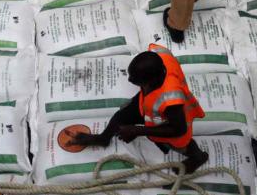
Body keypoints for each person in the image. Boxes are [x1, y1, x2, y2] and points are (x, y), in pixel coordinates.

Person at [72, 44, 209, 173]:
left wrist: (137, 130)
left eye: (135, 79)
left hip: (174, 122)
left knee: (180, 144)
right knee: (121, 116)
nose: (130, 80)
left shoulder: (171, 101)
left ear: (152, 81)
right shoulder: (160, 58)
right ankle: (103, 138)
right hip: (148, 100)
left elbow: (179, 129)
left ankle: (198, 157)